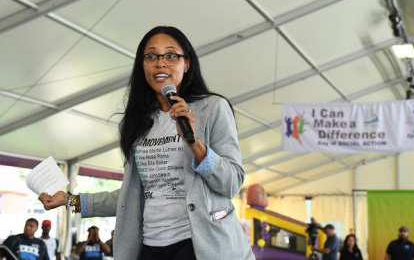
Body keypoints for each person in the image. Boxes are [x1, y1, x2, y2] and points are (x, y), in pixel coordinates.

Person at [38, 26, 255, 260]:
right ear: (143, 66)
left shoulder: (212, 109)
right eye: (151, 56)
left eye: (171, 55)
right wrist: (69, 201)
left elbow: (231, 183)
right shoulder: (135, 123)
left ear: (187, 63)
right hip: (150, 246)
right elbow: (128, 197)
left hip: (201, 245)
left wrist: (196, 144)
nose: (160, 63)